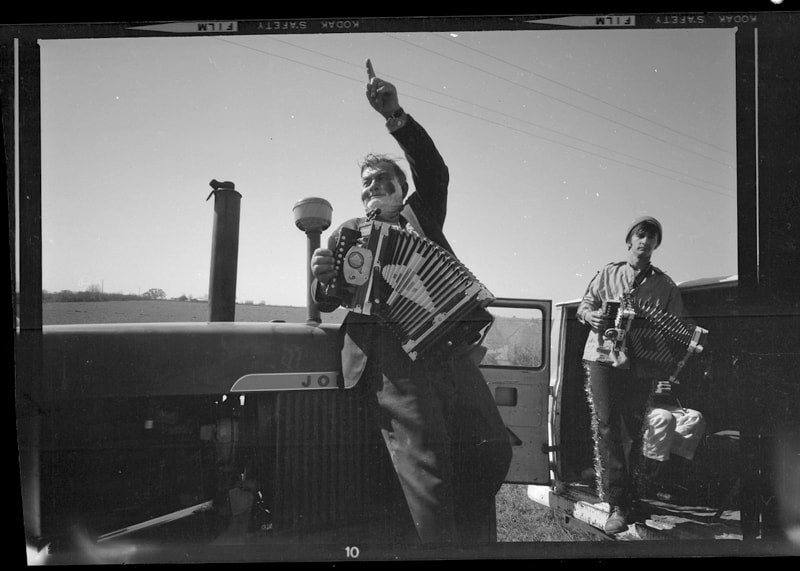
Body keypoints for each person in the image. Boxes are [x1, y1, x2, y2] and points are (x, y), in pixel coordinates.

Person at [309, 59, 512, 544]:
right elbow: (331, 297)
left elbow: (434, 169)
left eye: (385, 181)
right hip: (392, 358)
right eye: (367, 184)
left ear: (402, 191)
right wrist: (320, 278)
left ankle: (471, 537)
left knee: (493, 449)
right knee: (429, 470)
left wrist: (395, 114)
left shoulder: (422, 216)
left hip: (445, 350)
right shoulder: (347, 235)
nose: (374, 188)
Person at [576, 215, 688, 534]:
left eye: (651, 237)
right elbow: (585, 305)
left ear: (655, 245)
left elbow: (677, 327)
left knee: (632, 430)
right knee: (609, 426)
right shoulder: (609, 273)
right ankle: (618, 504)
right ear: (629, 241)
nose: (645, 240)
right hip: (601, 358)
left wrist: (669, 343)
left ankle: (628, 496)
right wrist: (592, 316)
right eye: (640, 234)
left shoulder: (665, 285)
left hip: (640, 365)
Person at [640, 380, 707, 501]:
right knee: (663, 418)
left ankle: (666, 478)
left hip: (653, 404)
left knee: (694, 417)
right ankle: (648, 481)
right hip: (635, 407)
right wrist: (649, 389)